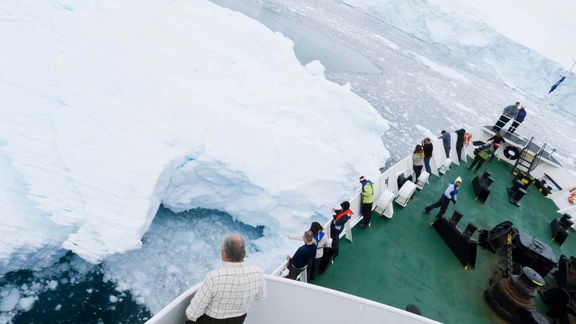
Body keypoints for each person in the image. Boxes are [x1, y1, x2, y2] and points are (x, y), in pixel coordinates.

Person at [186, 234, 266, 324]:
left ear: (224, 254)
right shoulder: (258, 273)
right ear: (244, 253)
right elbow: (260, 297)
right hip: (238, 321)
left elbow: (192, 313)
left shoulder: (214, 277)